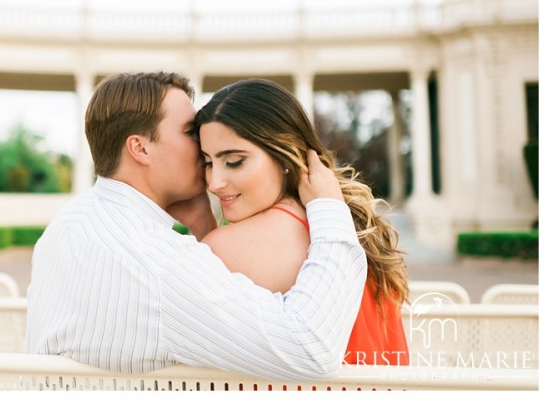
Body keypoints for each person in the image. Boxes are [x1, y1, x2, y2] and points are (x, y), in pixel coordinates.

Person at [26, 71, 367, 380]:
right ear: (140, 148)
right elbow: (308, 348)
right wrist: (329, 210)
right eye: (190, 132)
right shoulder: (159, 265)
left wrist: (204, 223)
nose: (202, 143)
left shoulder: (65, 225)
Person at [194, 78, 409, 366]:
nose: (214, 183)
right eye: (208, 162)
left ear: (284, 155)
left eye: (234, 161)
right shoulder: (351, 223)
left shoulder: (223, 249)